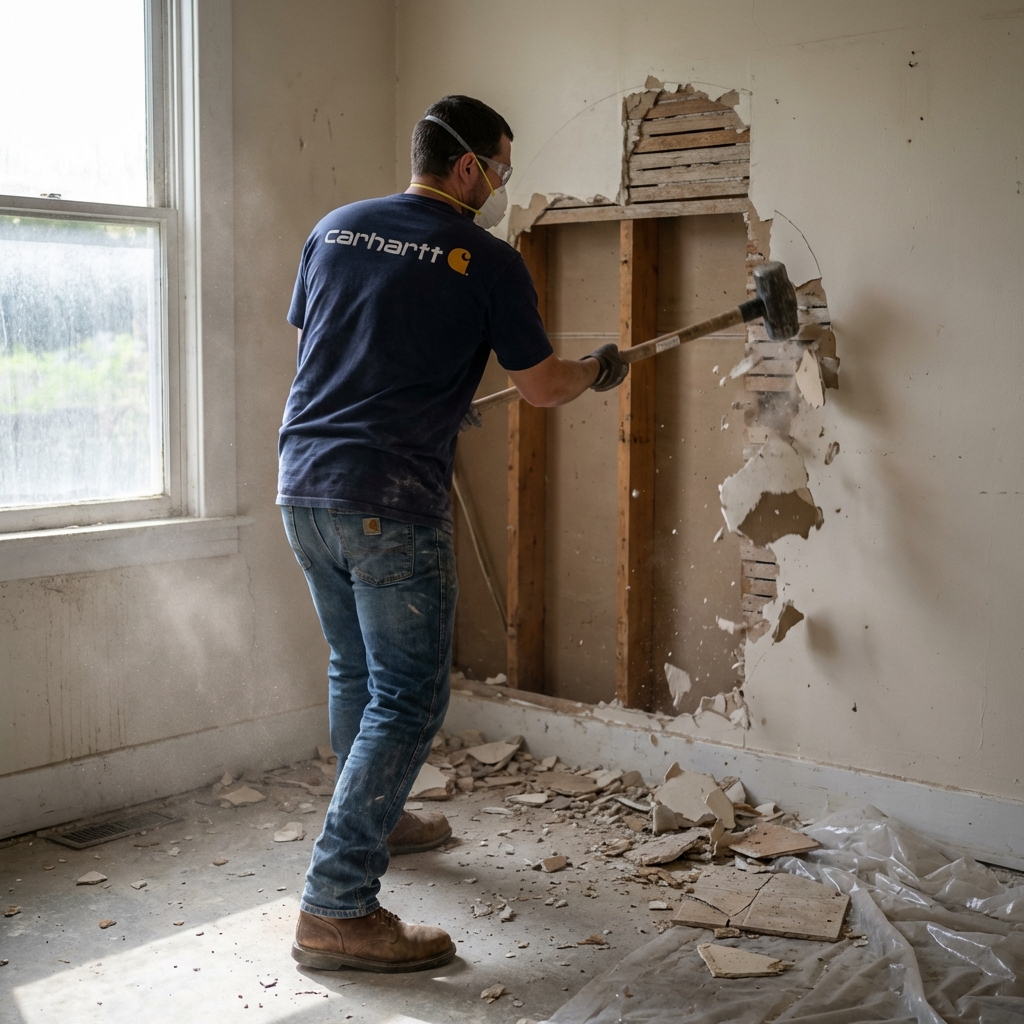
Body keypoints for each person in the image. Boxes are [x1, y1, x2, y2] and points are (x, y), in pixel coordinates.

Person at [277, 94, 628, 974]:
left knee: (356, 670)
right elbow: (544, 386)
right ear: (469, 166)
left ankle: (381, 820)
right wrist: (598, 369)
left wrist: (426, 406)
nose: (504, 185)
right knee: (409, 695)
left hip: (305, 488)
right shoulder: (488, 259)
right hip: (388, 501)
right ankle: (336, 906)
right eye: (502, 168)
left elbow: (333, 350)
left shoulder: (335, 228)